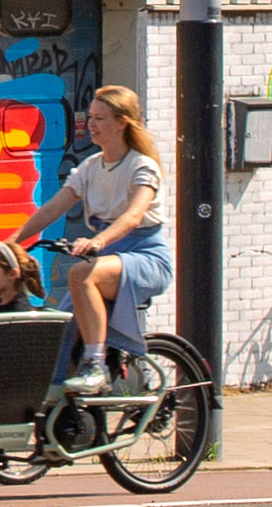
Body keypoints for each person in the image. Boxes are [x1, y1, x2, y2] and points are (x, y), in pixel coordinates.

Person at [18, 86, 168, 389]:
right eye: (89, 117)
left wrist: (99, 241)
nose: (91, 125)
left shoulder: (142, 166)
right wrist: (13, 241)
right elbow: (52, 209)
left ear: (122, 122)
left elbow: (133, 216)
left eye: (100, 118)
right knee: (60, 330)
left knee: (80, 274)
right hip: (109, 259)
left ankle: (95, 365)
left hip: (145, 257)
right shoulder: (91, 166)